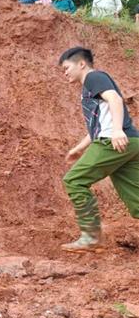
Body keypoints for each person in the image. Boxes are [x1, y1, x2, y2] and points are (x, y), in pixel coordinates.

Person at [58, 47, 139, 252]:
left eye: (67, 67)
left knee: (74, 180)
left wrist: (118, 130)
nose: (64, 72)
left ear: (82, 64)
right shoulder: (90, 87)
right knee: (136, 199)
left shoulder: (93, 77)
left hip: (114, 141)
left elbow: (115, 99)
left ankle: (91, 237)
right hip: (130, 143)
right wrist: (79, 148)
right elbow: (98, 125)